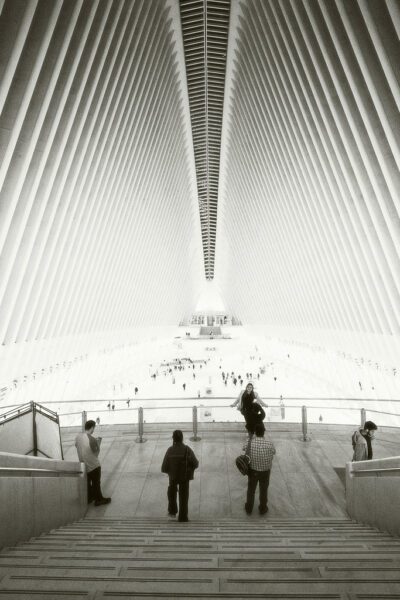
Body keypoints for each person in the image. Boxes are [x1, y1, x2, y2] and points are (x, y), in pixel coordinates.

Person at [161, 430, 199, 522]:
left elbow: (164, 467)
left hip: (173, 477)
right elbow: (196, 463)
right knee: (184, 497)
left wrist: (171, 471)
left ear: (173, 438)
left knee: (172, 492)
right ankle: (183, 517)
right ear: (182, 438)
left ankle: (172, 511)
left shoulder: (170, 450)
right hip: (184, 477)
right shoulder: (187, 449)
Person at [75, 420, 111, 506]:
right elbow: (96, 454)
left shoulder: (78, 437)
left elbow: (76, 445)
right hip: (94, 466)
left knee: (88, 483)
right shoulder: (92, 439)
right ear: (91, 428)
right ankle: (99, 499)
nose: (94, 429)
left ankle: (90, 497)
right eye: (94, 427)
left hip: (83, 465)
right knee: (96, 483)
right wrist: (98, 443)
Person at [244, 423, 276, 515]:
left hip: (253, 471)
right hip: (265, 471)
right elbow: (274, 452)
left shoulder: (250, 443)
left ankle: (249, 508)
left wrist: (250, 439)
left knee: (251, 490)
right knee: (263, 490)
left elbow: (244, 449)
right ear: (264, 432)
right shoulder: (269, 444)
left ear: (255, 432)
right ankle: (262, 508)